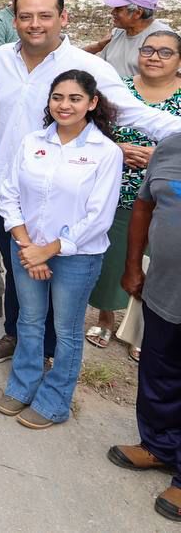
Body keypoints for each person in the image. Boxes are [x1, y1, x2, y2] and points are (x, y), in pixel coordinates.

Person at [0, 0, 181, 366]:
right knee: (19, 270)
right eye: (25, 16)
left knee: (58, 279)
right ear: (14, 20)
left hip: (62, 197)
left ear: (63, 17)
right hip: (5, 193)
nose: (35, 24)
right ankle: (16, 337)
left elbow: (134, 114)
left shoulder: (89, 68)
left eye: (45, 15)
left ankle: (50, 352)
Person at [0, 70, 121, 429]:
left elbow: (99, 217)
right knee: (29, 320)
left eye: (75, 98)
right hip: (26, 247)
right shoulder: (32, 141)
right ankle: (22, 386)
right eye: (58, 97)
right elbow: (9, 194)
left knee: (66, 330)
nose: (65, 105)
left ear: (92, 103)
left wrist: (47, 250)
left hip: (77, 257)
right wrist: (27, 245)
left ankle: (54, 402)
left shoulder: (106, 153)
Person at [87, 30, 181, 357]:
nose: (154, 57)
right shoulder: (117, 89)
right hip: (117, 189)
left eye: (165, 52)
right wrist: (117, 149)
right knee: (112, 259)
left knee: (157, 265)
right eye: (148, 50)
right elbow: (89, 130)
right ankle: (105, 317)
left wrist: (163, 156)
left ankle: (140, 329)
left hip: (167, 198)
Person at [114, 132, 181, 522]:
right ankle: (158, 446)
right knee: (158, 371)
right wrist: (133, 265)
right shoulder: (171, 146)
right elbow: (143, 206)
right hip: (165, 290)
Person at [85, 0, 172, 78]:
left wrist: (120, 84)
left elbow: (163, 81)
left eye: (119, 9)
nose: (112, 12)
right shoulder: (117, 32)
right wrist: (97, 46)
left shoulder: (164, 38)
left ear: (138, 13)